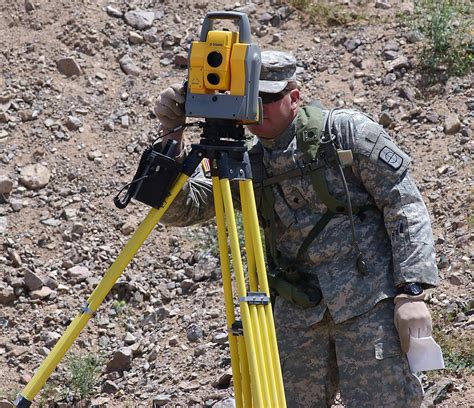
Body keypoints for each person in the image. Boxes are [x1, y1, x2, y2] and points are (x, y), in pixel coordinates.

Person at [154, 50, 438, 407]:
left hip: (369, 307)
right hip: (297, 316)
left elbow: (404, 205)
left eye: (268, 99)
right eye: (249, 100)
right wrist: (171, 137)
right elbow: (181, 209)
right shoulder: (245, 162)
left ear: (294, 95)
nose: (257, 110)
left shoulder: (346, 134)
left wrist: (411, 291)